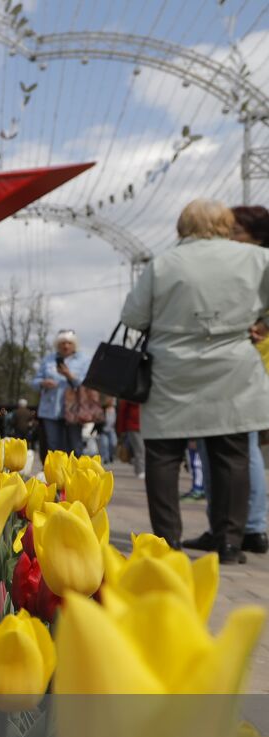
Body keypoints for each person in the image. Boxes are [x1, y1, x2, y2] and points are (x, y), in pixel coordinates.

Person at [120, 199, 269, 563]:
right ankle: (229, 543)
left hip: (172, 367)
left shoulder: (164, 263)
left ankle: (167, 543)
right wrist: (262, 326)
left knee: (163, 454)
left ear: (182, 225)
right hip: (233, 363)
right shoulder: (256, 259)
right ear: (225, 224)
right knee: (231, 454)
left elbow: (133, 316)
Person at [31, 329, 89, 457]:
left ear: (74, 345)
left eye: (69, 343)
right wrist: (43, 383)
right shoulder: (49, 359)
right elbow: (34, 382)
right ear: (57, 344)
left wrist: (69, 376)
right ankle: (55, 474)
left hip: (74, 409)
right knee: (53, 445)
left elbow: (86, 385)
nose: (65, 346)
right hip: (50, 409)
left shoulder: (83, 360)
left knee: (75, 445)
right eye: (62, 343)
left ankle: (76, 473)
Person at [116, 400, 145, 480]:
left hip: (145, 425)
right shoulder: (129, 396)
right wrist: (121, 430)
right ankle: (140, 471)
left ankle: (141, 470)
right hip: (133, 426)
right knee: (140, 449)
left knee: (142, 449)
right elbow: (122, 412)